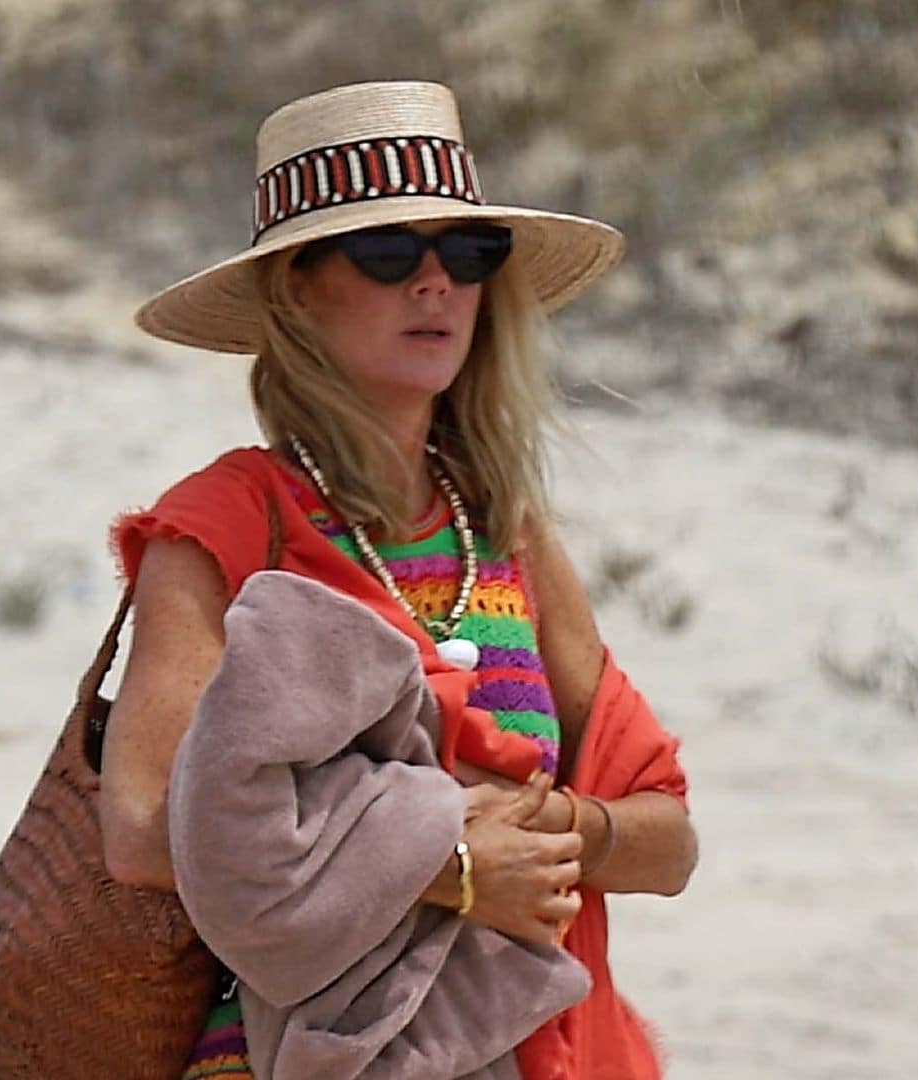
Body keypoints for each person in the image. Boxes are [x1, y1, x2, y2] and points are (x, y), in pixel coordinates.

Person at [101, 81, 698, 1078]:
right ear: (294, 289)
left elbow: (667, 840)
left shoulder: (508, 531)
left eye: (465, 255)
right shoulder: (232, 523)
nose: (436, 285)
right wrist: (450, 866)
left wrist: (558, 832)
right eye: (388, 255)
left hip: (535, 1046)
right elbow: (140, 830)